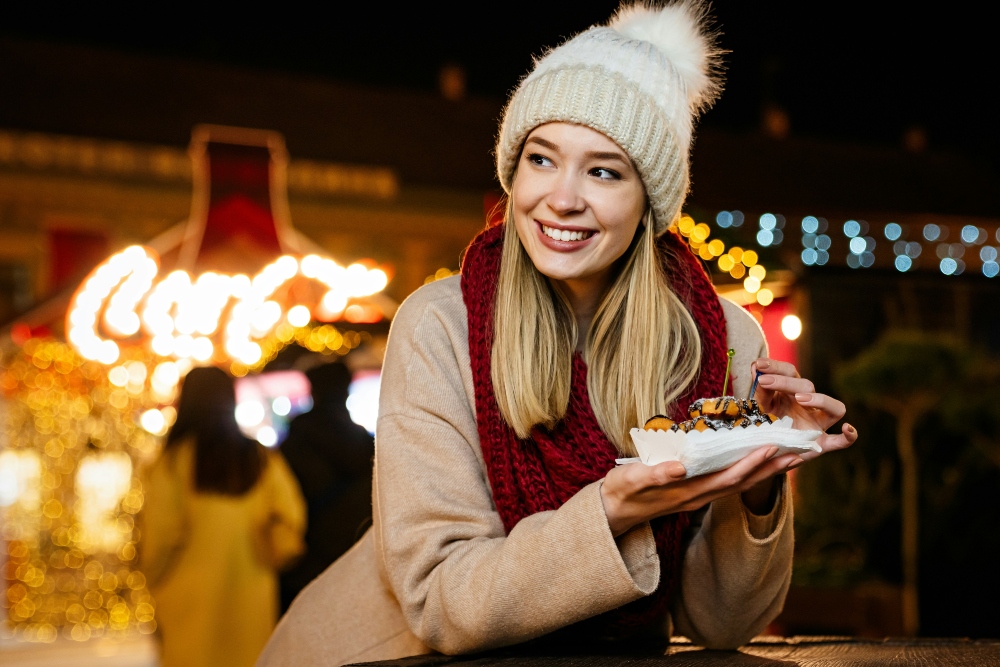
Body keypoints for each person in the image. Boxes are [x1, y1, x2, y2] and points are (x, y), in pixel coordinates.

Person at [257, 3, 857, 665]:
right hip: (371, 654)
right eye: (541, 159)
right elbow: (438, 599)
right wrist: (611, 513)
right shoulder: (441, 325)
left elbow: (724, 623)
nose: (562, 197)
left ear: (649, 199)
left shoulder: (723, 342)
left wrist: (760, 481)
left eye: (603, 171)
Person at [141, 366, 306, 667]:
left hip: (190, 601)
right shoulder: (259, 458)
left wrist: (152, 578)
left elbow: (159, 534)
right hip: (251, 596)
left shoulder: (174, 462)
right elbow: (291, 514)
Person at [279, 362, 375, 613]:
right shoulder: (367, 448)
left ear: (313, 392)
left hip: (306, 567)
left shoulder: (295, 444)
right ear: (345, 392)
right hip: (357, 561)